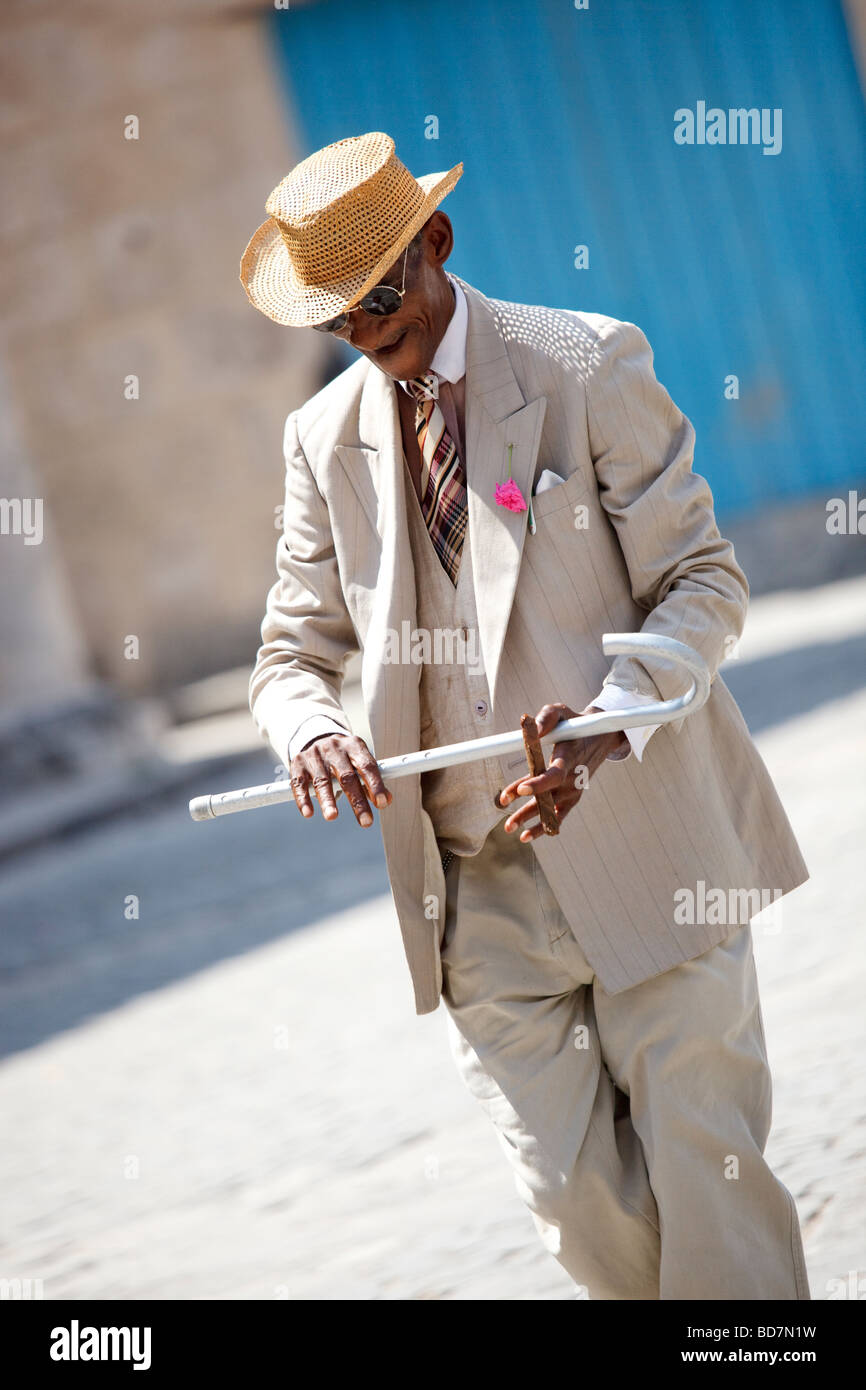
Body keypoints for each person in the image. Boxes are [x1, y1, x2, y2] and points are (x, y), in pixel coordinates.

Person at [239, 131, 811, 1300]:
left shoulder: (581, 361)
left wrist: (608, 724)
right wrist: (312, 729)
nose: (363, 338)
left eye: (378, 302)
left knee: (709, 1177)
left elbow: (702, 580)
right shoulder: (320, 441)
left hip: (651, 841)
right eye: (334, 321)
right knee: (573, 1206)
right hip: (474, 893)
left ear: (435, 242)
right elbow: (291, 653)